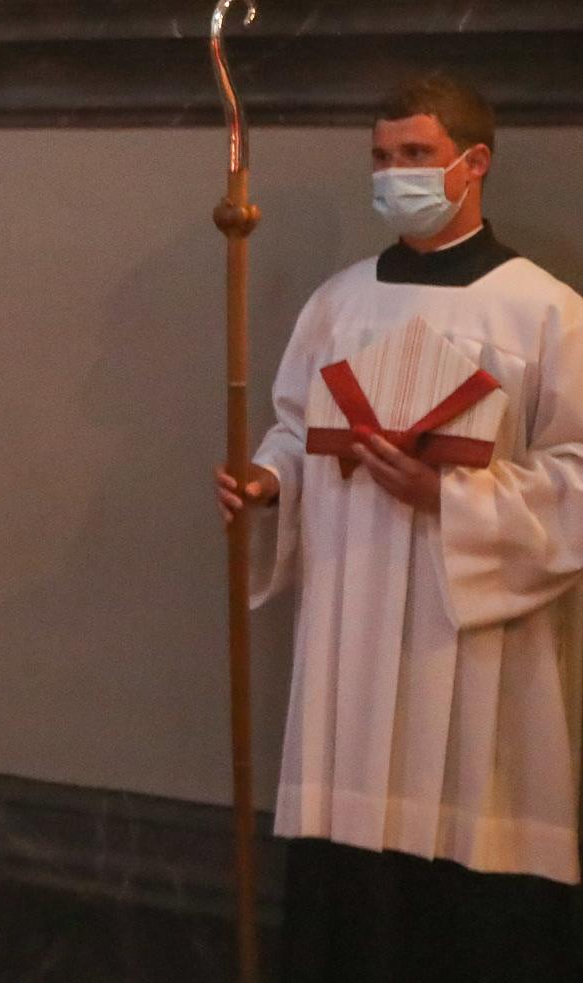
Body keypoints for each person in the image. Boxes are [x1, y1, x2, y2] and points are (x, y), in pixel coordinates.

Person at [215, 71, 583, 983]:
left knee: (465, 834)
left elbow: (577, 475)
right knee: (351, 859)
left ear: (473, 163)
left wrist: (449, 498)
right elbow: (299, 425)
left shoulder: (543, 310)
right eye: (380, 157)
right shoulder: (340, 301)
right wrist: (267, 479)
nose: (393, 176)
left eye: (414, 155)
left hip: (472, 631)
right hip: (351, 615)